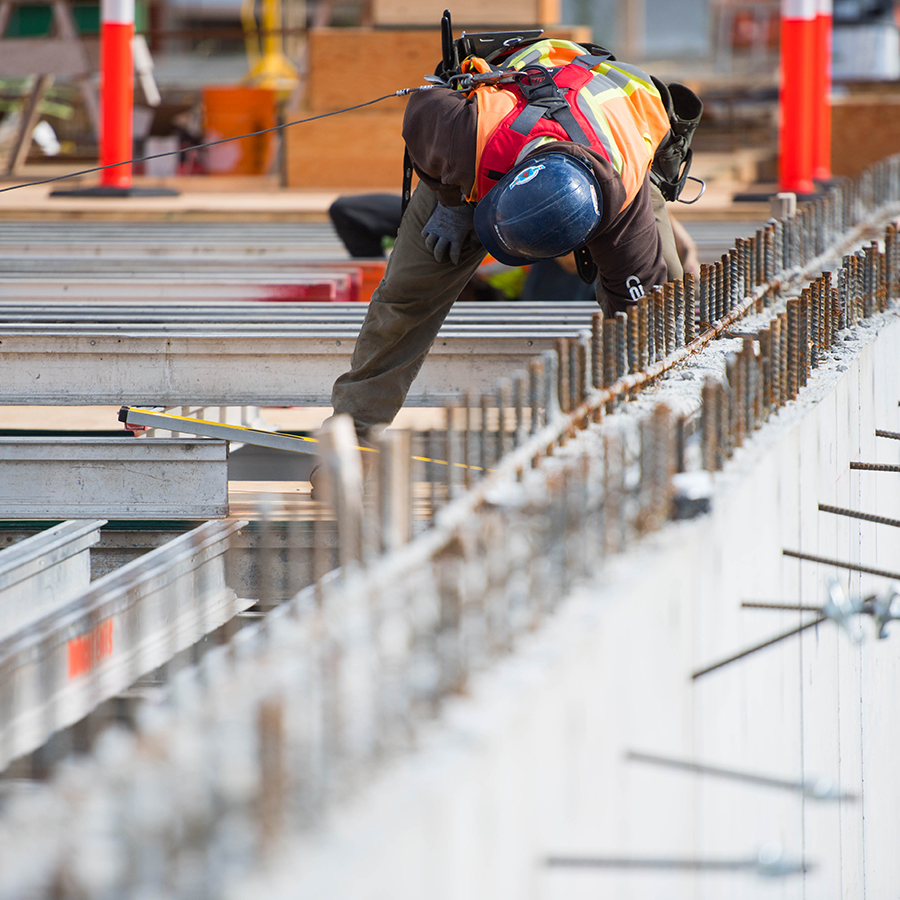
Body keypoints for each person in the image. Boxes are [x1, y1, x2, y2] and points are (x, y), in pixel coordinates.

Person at [314, 36, 702, 486]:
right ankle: (353, 444)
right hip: (496, 136)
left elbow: (642, 322)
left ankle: (655, 449)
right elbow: (420, 113)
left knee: (663, 316)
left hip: (612, 132)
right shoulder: (463, 128)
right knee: (405, 297)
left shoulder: (623, 211)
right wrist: (450, 199)